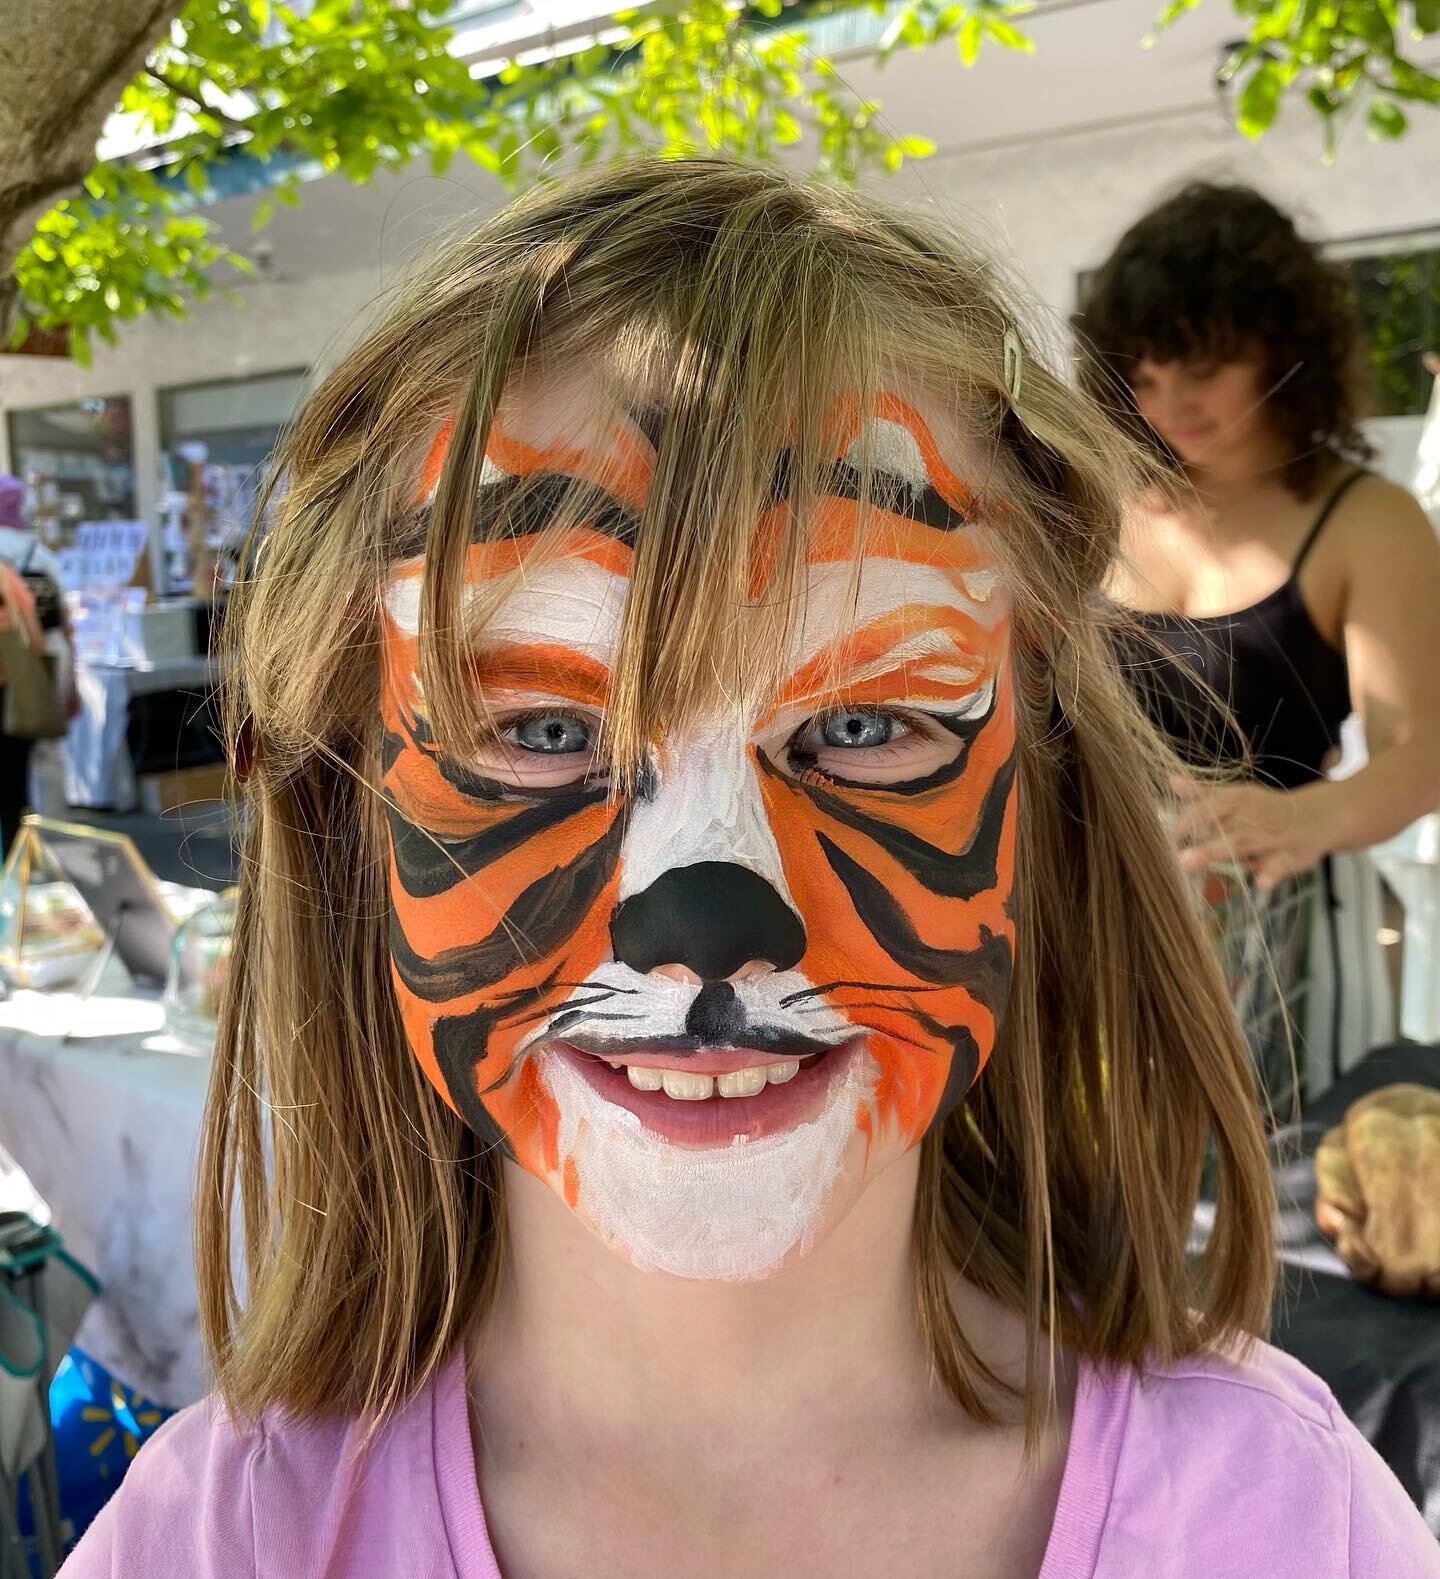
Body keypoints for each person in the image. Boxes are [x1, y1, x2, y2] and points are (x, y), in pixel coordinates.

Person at [59, 160, 1438, 1577]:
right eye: (539, 727)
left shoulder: (1281, 1518)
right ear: (350, 802)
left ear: (1044, 782)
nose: (709, 925)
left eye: (863, 725)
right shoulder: (221, 1540)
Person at [1075, 183, 1440, 1099]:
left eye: (1203, 368)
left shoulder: (1369, 521)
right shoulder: (1091, 505)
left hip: (1279, 937)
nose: (1170, 405)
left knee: (1266, 1203)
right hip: (1089, 919)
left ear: (1285, 351)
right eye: (1143, 376)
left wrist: (1303, 818)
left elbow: (1423, 751)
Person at [0, 471, 70, 852]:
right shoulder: (35, 553)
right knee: (16, 779)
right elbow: (45, 625)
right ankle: (19, 863)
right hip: (14, 682)